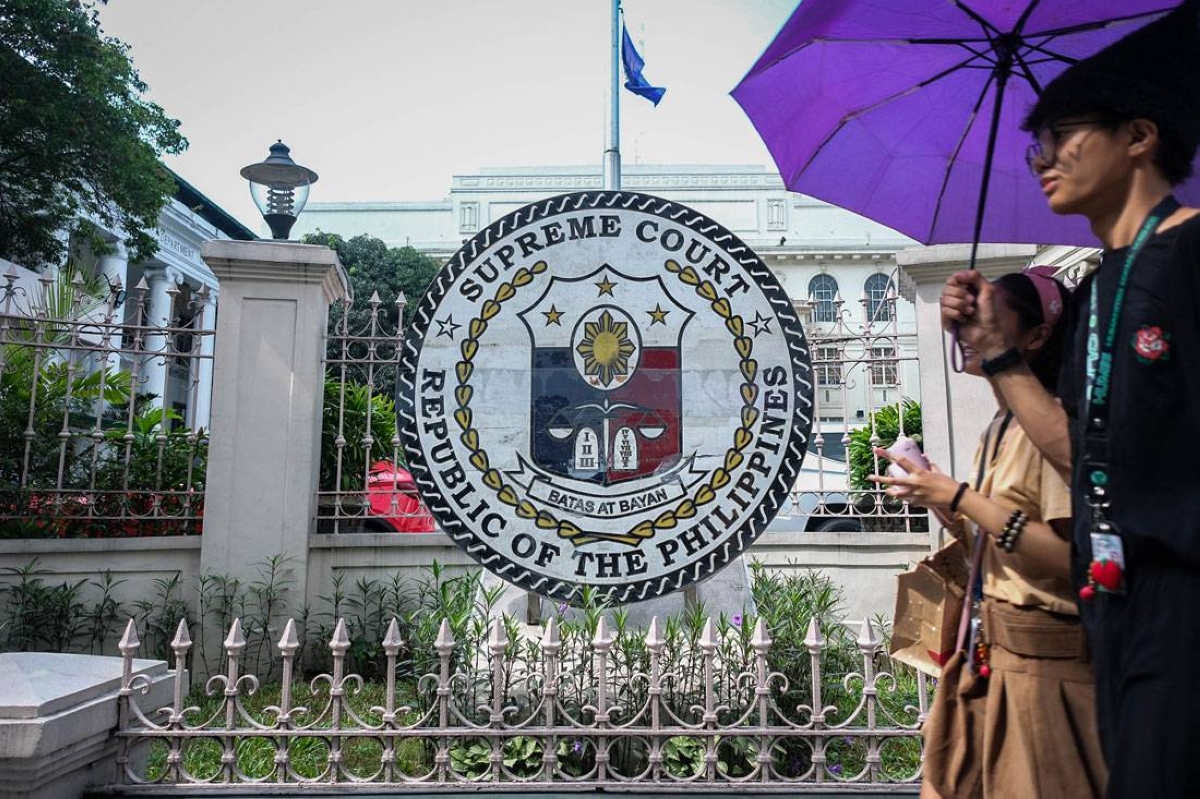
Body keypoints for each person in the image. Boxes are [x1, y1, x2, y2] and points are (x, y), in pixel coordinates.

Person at [939, 4, 1200, 795]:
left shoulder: (1188, 256)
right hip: (1117, 610)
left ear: (1139, 136)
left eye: (1062, 135)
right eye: (1035, 145)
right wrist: (996, 354)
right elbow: (1086, 453)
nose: (1042, 159)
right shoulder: (1099, 288)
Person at [876, 269, 1104, 798]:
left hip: (1046, 677)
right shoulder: (1000, 427)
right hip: (988, 662)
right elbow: (996, 534)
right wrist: (943, 501)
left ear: (1037, 336)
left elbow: (1076, 555)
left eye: (988, 315)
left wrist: (959, 498)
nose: (966, 328)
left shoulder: (1053, 430)